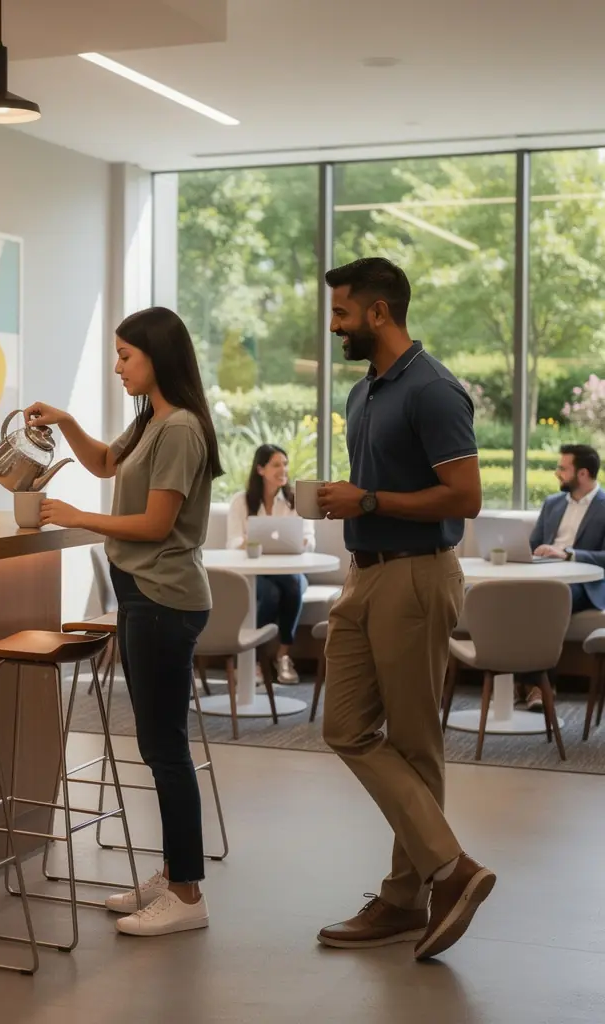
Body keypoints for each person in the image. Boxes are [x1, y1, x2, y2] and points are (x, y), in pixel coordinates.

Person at [314, 257, 494, 961]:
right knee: (344, 726)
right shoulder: (366, 394)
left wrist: (369, 501)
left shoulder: (433, 389)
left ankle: (404, 897)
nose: (335, 327)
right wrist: (353, 498)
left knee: (416, 744)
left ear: (379, 312)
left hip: (417, 577)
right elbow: (377, 489)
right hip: (364, 575)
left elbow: (465, 496)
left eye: (342, 314)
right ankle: (451, 868)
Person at [27, 305, 222, 937]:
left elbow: (156, 525)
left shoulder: (182, 429)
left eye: (125, 356)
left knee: (164, 747)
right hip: (144, 593)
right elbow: (107, 463)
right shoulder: (152, 422)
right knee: (158, 743)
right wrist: (68, 422)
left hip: (165, 596)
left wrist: (77, 517)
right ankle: (174, 872)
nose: (117, 367)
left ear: (156, 359)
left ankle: (188, 896)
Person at [516, 443, 605, 710]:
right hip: (543, 576)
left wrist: (568, 553)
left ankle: (538, 687)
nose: (557, 473)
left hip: (584, 584)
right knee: (512, 595)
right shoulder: (552, 503)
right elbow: (532, 546)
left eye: (562, 468)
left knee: (550, 600)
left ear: (583, 474)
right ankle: (526, 682)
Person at [226, 444, 316, 683]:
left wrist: (303, 541)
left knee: (294, 584)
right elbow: (233, 542)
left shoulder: (295, 501)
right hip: (256, 575)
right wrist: (251, 542)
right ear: (260, 469)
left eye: (285, 464)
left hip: (291, 573)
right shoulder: (241, 502)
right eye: (277, 464)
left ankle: (282, 655)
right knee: (272, 595)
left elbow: (311, 541)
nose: (283, 469)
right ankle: (252, 658)